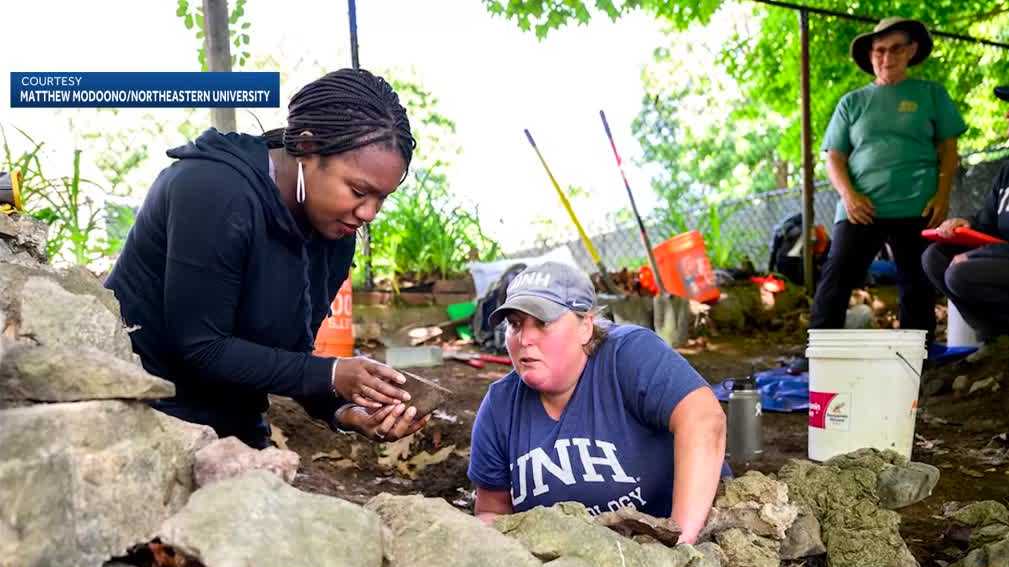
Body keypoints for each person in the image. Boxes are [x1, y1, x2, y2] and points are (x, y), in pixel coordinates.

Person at [105, 69, 429, 448]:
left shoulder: (335, 230)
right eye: (359, 190)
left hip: (235, 419)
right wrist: (332, 373)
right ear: (307, 149)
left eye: (382, 198)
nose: (369, 213)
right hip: (144, 415)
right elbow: (201, 347)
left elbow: (287, 359)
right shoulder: (213, 190)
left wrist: (343, 412)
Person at [467, 262, 727, 544]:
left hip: (668, 545)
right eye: (515, 324)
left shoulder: (629, 355)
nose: (525, 338)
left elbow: (704, 420)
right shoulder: (500, 406)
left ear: (586, 326)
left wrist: (681, 547)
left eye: (542, 322)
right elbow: (493, 513)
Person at [794, 17, 967, 371]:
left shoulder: (931, 94)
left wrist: (942, 193)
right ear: (871, 55)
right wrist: (849, 195)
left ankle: (916, 355)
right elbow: (834, 157)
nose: (887, 56)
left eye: (895, 48)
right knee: (837, 274)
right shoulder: (852, 102)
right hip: (860, 207)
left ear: (912, 51)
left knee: (917, 280)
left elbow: (949, 149)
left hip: (917, 204)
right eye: (879, 50)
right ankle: (818, 353)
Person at [922, 85, 1009, 359]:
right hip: (1000, 258)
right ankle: (995, 339)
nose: (1007, 117)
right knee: (934, 256)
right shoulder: (1007, 170)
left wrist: (978, 255)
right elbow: (988, 222)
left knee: (960, 272)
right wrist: (965, 225)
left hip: (1001, 257)